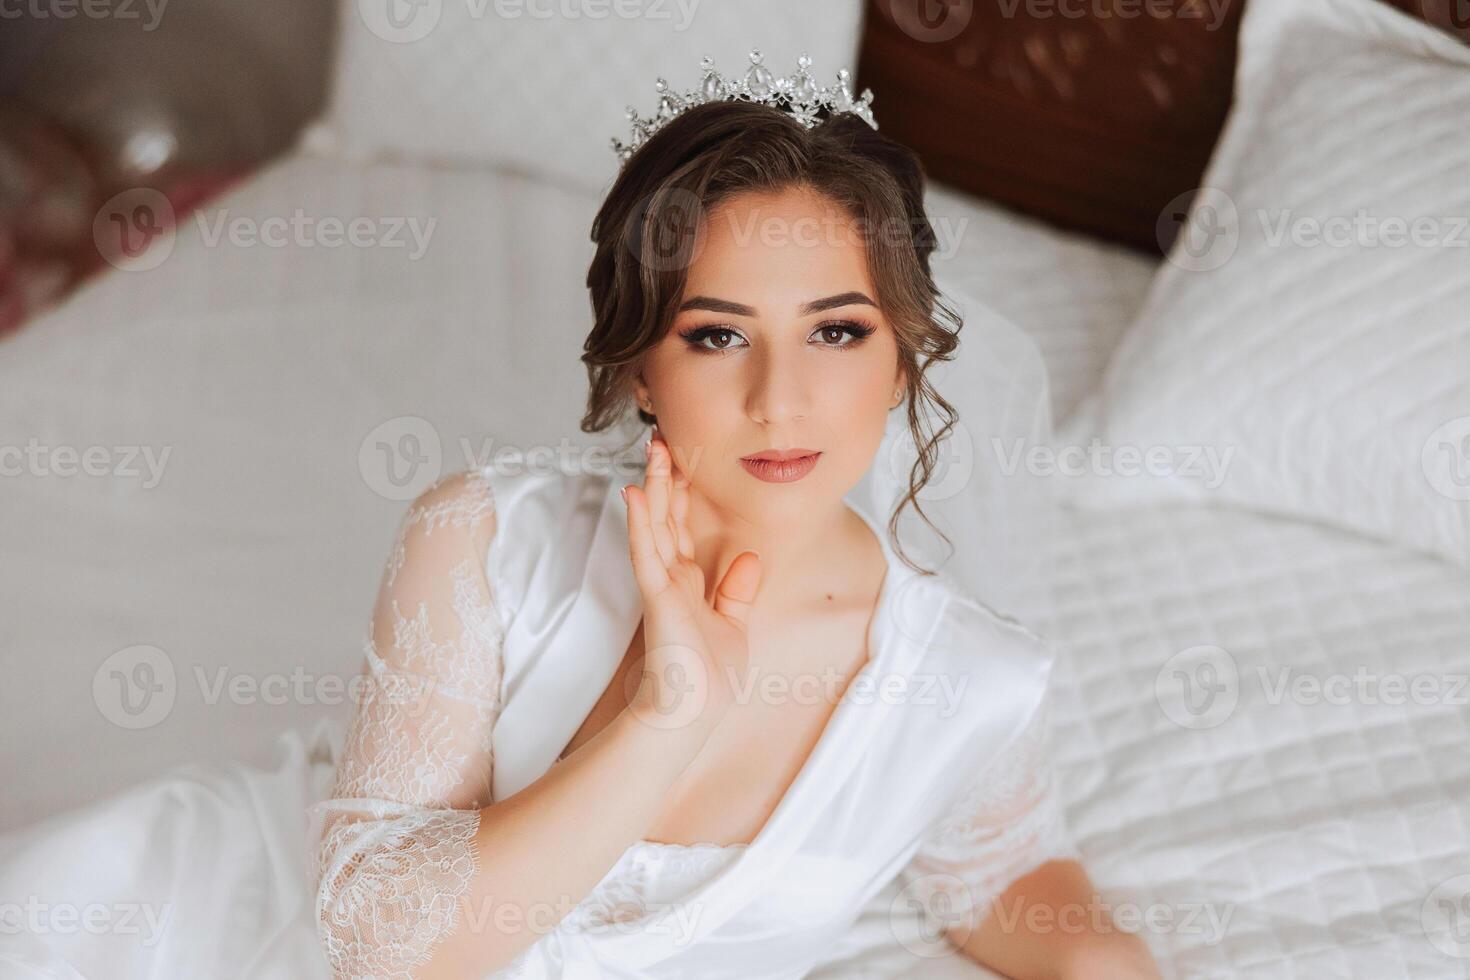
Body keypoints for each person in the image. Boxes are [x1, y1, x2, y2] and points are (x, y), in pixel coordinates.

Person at [307, 52, 1163, 980]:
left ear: (903, 365)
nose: (779, 399)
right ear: (640, 369)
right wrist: (666, 718)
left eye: (836, 331)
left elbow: (996, 870)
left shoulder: (967, 678)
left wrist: (1101, 964)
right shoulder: (484, 541)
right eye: (718, 336)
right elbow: (375, 950)